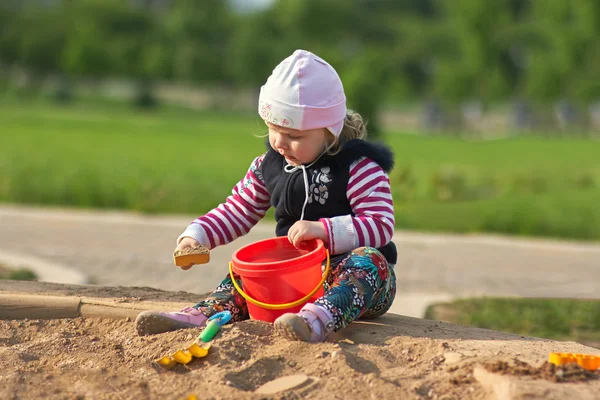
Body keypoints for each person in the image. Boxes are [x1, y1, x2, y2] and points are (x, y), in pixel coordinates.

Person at [135, 49, 397, 343]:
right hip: (293, 280)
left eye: (294, 136)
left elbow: (380, 224)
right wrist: (198, 235)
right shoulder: (268, 167)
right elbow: (237, 210)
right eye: (273, 129)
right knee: (246, 269)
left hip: (355, 281)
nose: (279, 142)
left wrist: (323, 230)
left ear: (331, 131)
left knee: (369, 261)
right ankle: (203, 315)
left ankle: (316, 321)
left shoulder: (359, 167)